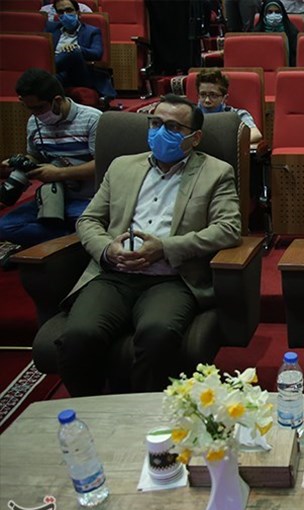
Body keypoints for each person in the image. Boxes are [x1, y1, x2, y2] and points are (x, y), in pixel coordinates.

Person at [54, 94, 242, 396]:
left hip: (171, 279)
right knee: (78, 336)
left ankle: (147, 414)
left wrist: (165, 247)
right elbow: (89, 220)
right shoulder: (121, 167)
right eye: (155, 123)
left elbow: (228, 229)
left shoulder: (216, 173)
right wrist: (107, 250)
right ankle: (88, 410)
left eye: (173, 127)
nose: (161, 131)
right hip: (113, 276)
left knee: (158, 335)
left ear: (195, 138)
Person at [0, 69, 100, 251]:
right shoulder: (34, 122)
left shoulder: (92, 119)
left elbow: (102, 165)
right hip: (51, 197)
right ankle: (67, 238)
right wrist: (20, 162)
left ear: (57, 100)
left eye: (39, 108)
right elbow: (35, 156)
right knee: (5, 226)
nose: (35, 114)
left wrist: (59, 173)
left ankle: (63, 238)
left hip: (87, 198)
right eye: (30, 108)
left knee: (92, 225)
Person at [48, 0, 116, 100]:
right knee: (54, 78)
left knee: (73, 52)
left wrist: (77, 48)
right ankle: (48, 76)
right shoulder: (51, 30)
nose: (65, 15)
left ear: (78, 13)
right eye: (61, 12)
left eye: (69, 10)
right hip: (59, 74)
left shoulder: (92, 31)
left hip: (80, 74)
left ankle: (46, 72)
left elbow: (97, 53)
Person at [195, 68, 263, 147]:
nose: (207, 100)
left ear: (225, 98)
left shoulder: (237, 115)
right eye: (203, 95)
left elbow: (256, 134)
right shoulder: (190, 114)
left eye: (213, 95)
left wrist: (224, 143)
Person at [254, 0, 299, 67]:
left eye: (277, 12)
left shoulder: (292, 33)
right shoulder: (256, 34)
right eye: (270, 12)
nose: (273, 15)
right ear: (264, 14)